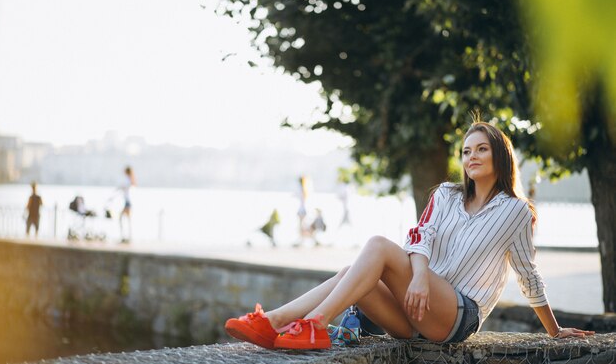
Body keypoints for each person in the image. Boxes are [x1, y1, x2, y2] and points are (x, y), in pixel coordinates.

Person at [224, 121, 594, 350]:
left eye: (482, 149)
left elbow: (528, 274)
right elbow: (421, 237)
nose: (472, 156)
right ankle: (272, 323)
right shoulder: (445, 195)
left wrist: (554, 330)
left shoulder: (516, 211)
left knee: (378, 248)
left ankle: (314, 325)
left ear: (501, 155)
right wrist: (418, 276)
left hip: (456, 315)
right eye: (466, 151)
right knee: (352, 276)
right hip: (415, 315)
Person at [119, 166, 136, 243]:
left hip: (127, 202)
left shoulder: (128, 180)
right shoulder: (130, 180)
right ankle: (128, 236)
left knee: (121, 218)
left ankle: (125, 236)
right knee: (126, 219)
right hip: (128, 202)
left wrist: (120, 188)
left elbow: (124, 188)